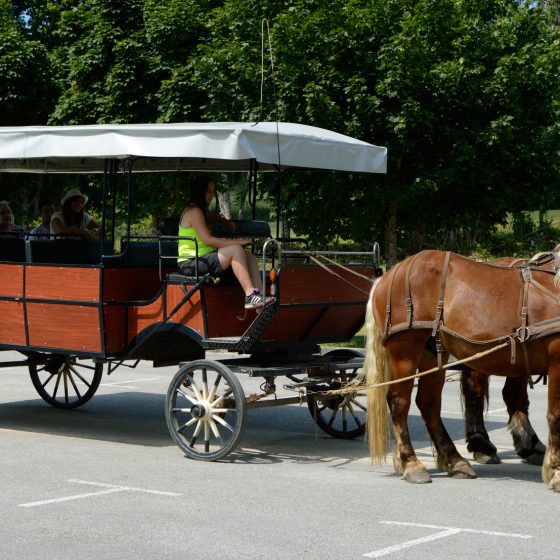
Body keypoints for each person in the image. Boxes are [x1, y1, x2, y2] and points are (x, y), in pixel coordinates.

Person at [177, 176, 275, 309]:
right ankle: (250, 295)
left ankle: (260, 300)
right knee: (235, 249)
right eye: (209, 191)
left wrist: (223, 221)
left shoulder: (199, 211)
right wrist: (239, 242)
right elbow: (207, 240)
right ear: (200, 192)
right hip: (190, 263)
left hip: (202, 259)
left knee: (250, 257)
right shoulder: (194, 211)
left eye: (213, 191)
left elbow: (212, 217)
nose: (212, 195)